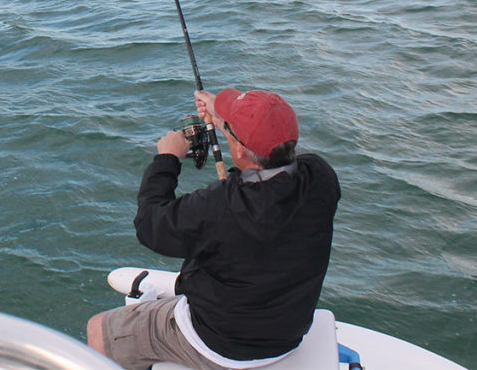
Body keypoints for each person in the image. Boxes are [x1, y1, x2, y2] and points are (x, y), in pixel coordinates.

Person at [87, 88, 340, 370]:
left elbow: (150, 225)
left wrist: (167, 159)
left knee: (99, 330)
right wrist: (225, 120)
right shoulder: (321, 177)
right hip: (288, 334)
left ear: (240, 149)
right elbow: (269, 168)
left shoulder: (221, 207)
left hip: (221, 344)